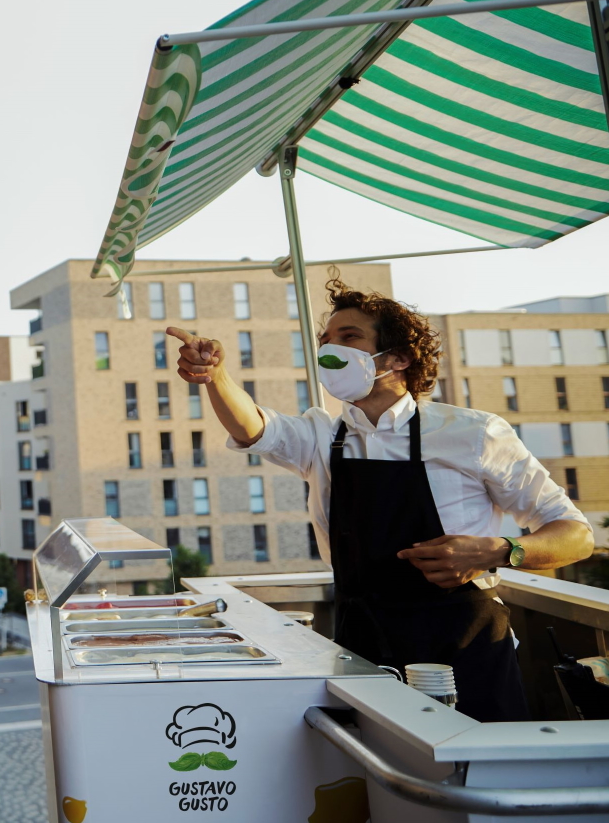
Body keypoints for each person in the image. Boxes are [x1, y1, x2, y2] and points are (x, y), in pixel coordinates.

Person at [167, 279, 593, 722]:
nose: (331, 350)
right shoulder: (321, 436)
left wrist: (499, 550)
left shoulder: (475, 432)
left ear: (399, 357)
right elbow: (253, 426)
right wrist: (215, 376)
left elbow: (576, 535)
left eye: (349, 338)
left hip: (467, 647)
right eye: (326, 341)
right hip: (363, 648)